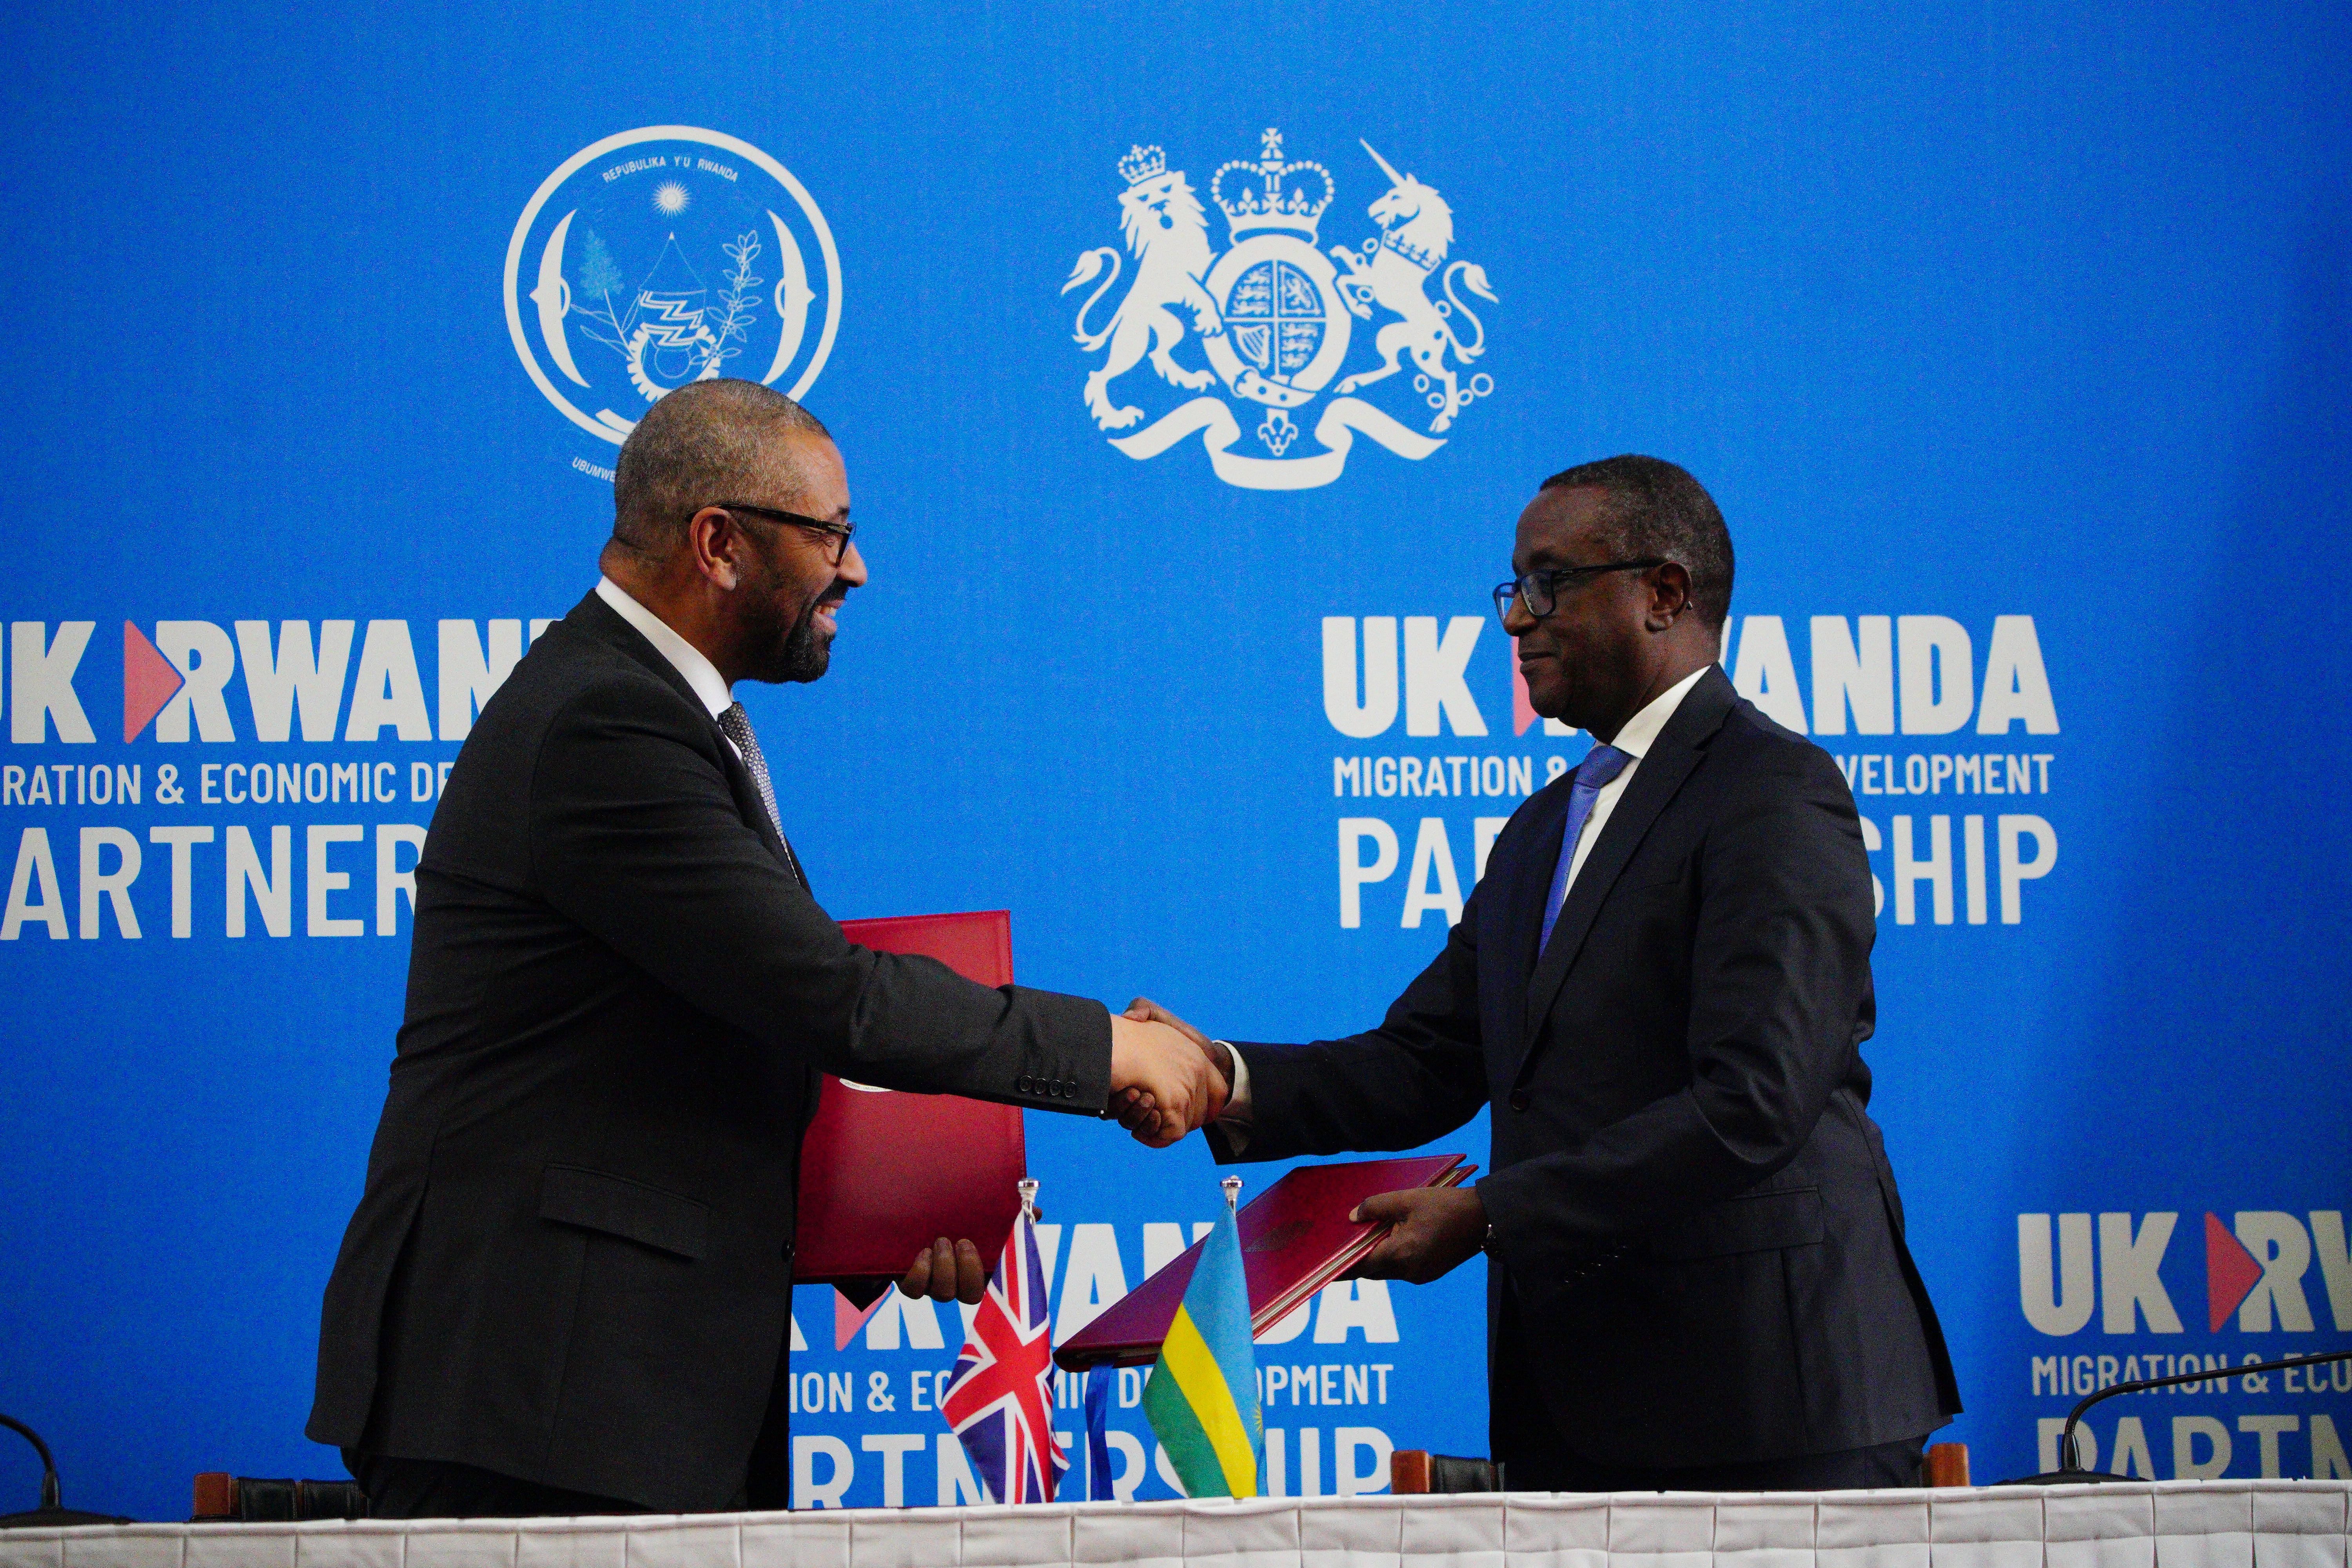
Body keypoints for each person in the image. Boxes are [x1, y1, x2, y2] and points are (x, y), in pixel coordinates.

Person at [307, 379, 1220, 1518]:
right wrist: (1108, 1053)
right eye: (832, 534)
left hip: (608, 1395)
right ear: (721, 543)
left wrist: (874, 1219)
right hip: (534, 1397)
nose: (856, 570)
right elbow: (824, 995)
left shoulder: (654, 711)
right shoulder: (607, 721)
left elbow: (705, 1038)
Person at [1127, 456, 1960, 1490]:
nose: (1517, 619)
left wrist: (1492, 1217)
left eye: (1551, 583)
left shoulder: (1773, 792)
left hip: (1769, 1403)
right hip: (1582, 1405)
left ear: (1664, 594)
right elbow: (1425, 1060)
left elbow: (1757, 1100)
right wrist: (1222, 1074)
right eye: (1515, 588)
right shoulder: (1541, 832)